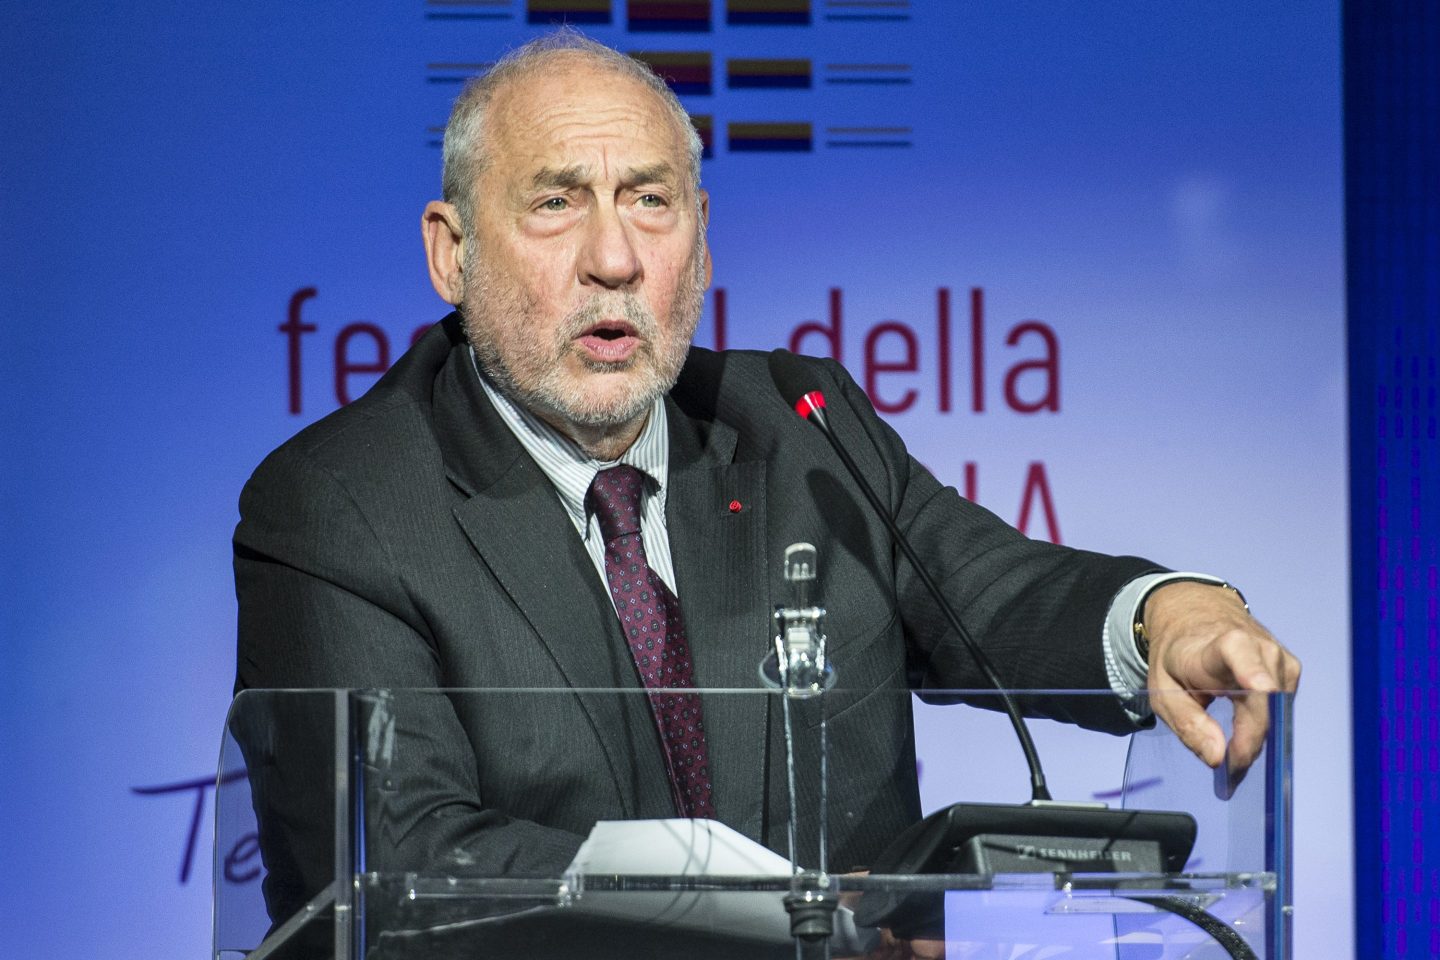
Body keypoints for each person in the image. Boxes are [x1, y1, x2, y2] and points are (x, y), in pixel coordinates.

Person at [233, 27, 1299, 945]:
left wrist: (1165, 615)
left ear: (698, 244)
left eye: (649, 202)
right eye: (557, 203)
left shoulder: (801, 426)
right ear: (451, 254)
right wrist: (768, 921)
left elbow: (998, 595)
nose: (613, 256)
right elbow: (409, 860)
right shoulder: (343, 504)